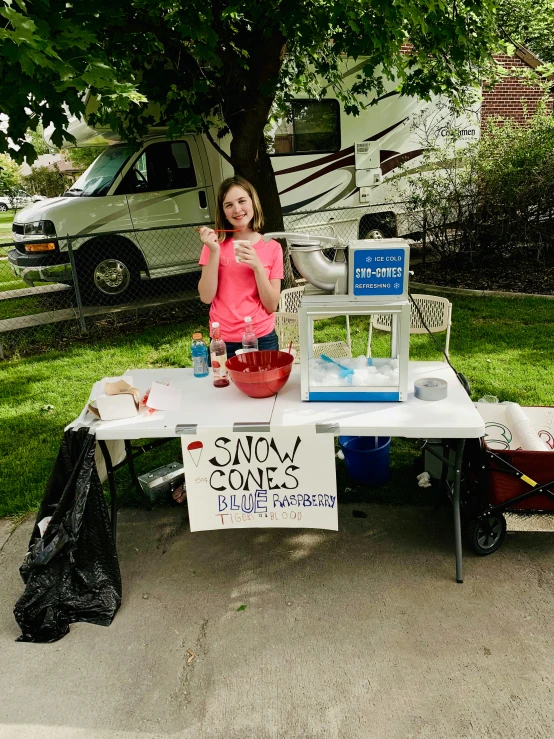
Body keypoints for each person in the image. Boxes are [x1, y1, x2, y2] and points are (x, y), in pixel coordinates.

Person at [197, 176, 283, 358]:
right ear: (223, 211)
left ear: (253, 203)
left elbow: (271, 305)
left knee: (263, 387)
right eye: (228, 205)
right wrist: (213, 252)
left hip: (262, 338)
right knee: (223, 386)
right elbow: (206, 297)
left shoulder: (273, 247)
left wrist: (258, 267)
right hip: (222, 339)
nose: (237, 209)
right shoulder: (213, 245)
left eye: (242, 201)